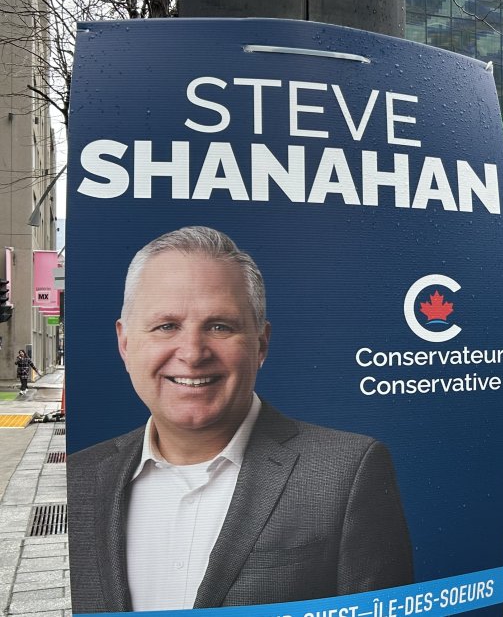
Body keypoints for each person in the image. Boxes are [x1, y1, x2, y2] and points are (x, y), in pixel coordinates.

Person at [67, 226, 412, 613]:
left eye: (220, 326)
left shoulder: (346, 472)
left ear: (261, 344)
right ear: (125, 343)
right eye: (166, 326)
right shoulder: (79, 475)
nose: (193, 353)